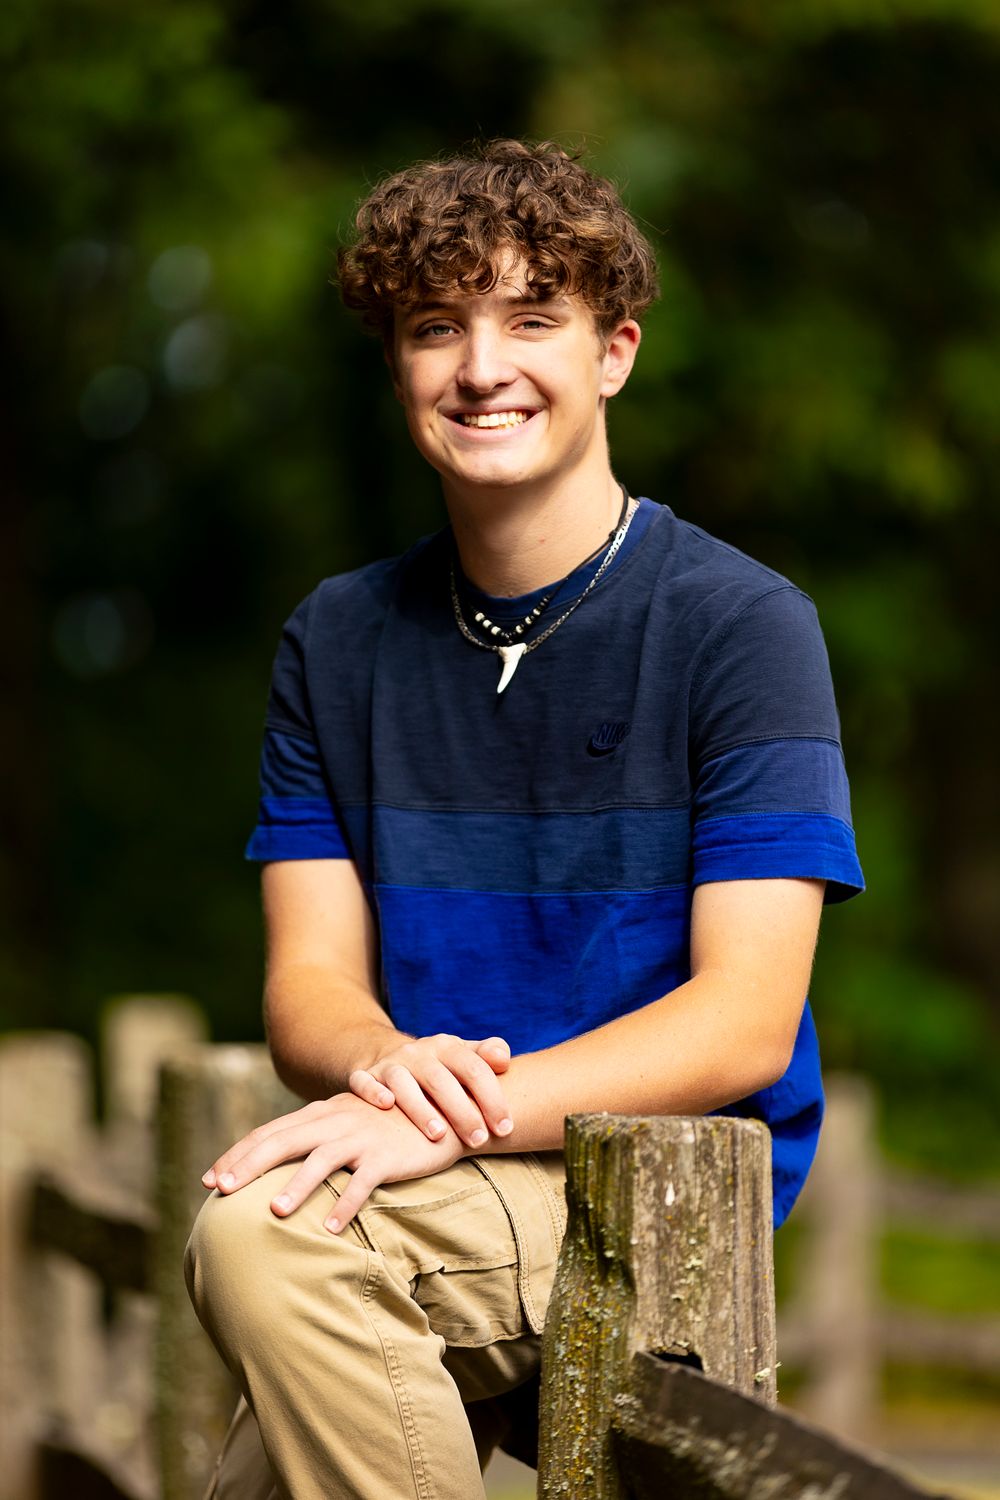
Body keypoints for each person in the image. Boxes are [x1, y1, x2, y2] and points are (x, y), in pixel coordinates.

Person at [185, 139, 864, 1500]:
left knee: (267, 1240)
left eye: (531, 317)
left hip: (653, 1188)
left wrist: (451, 1120)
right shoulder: (336, 639)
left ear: (613, 351)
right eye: (437, 327)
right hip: (433, 1165)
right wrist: (391, 1067)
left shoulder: (742, 625)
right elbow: (310, 985)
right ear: (398, 369)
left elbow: (742, 1020)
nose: (481, 366)